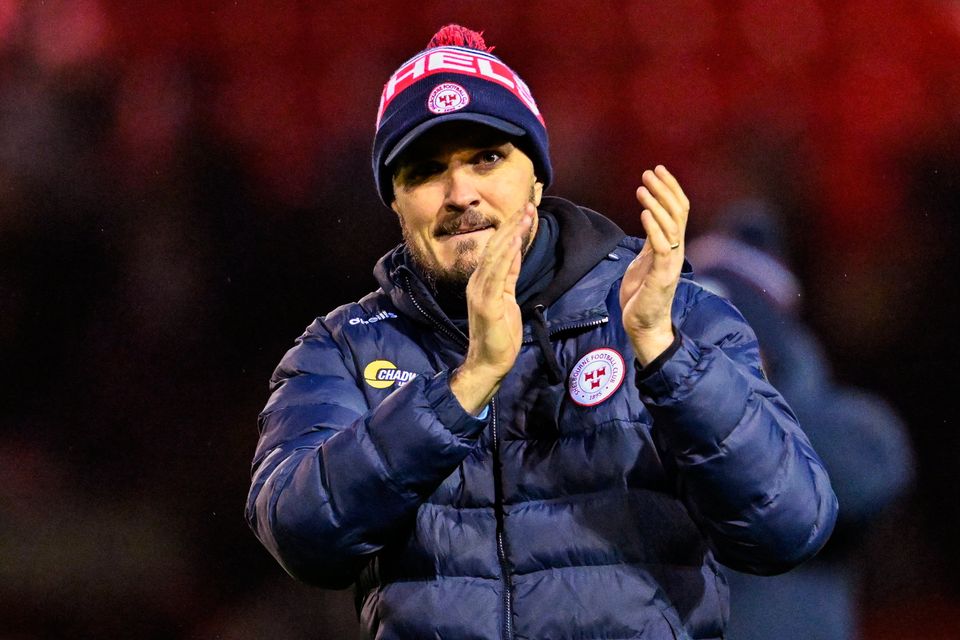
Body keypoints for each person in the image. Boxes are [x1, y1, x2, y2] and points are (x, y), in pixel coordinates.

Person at [245, 25, 838, 640]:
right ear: (394, 201)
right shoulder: (343, 347)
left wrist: (666, 358)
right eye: (424, 171)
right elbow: (301, 535)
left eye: (487, 158)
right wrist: (464, 388)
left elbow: (789, 528)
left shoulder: (669, 312)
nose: (460, 193)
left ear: (536, 176)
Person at [687, 201, 914, 640]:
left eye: (731, 339)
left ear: (769, 346)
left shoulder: (850, 428)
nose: (711, 357)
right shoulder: (661, 413)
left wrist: (729, 405)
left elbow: (866, 479)